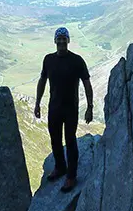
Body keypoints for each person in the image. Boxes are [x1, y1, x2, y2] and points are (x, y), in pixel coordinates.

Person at [34, 26, 93, 192]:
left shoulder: (77, 61)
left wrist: (90, 107)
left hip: (70, 109)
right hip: (54, 107)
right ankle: (60, 167)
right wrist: (37, 103)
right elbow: (42, 80)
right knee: (54, 139)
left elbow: (87, 84)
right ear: (55, 41)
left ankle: (71, 176)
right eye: (58, 38)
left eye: (64, 38)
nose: (61, 41)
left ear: (68, 41)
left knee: (70, 140)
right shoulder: (48, 60)